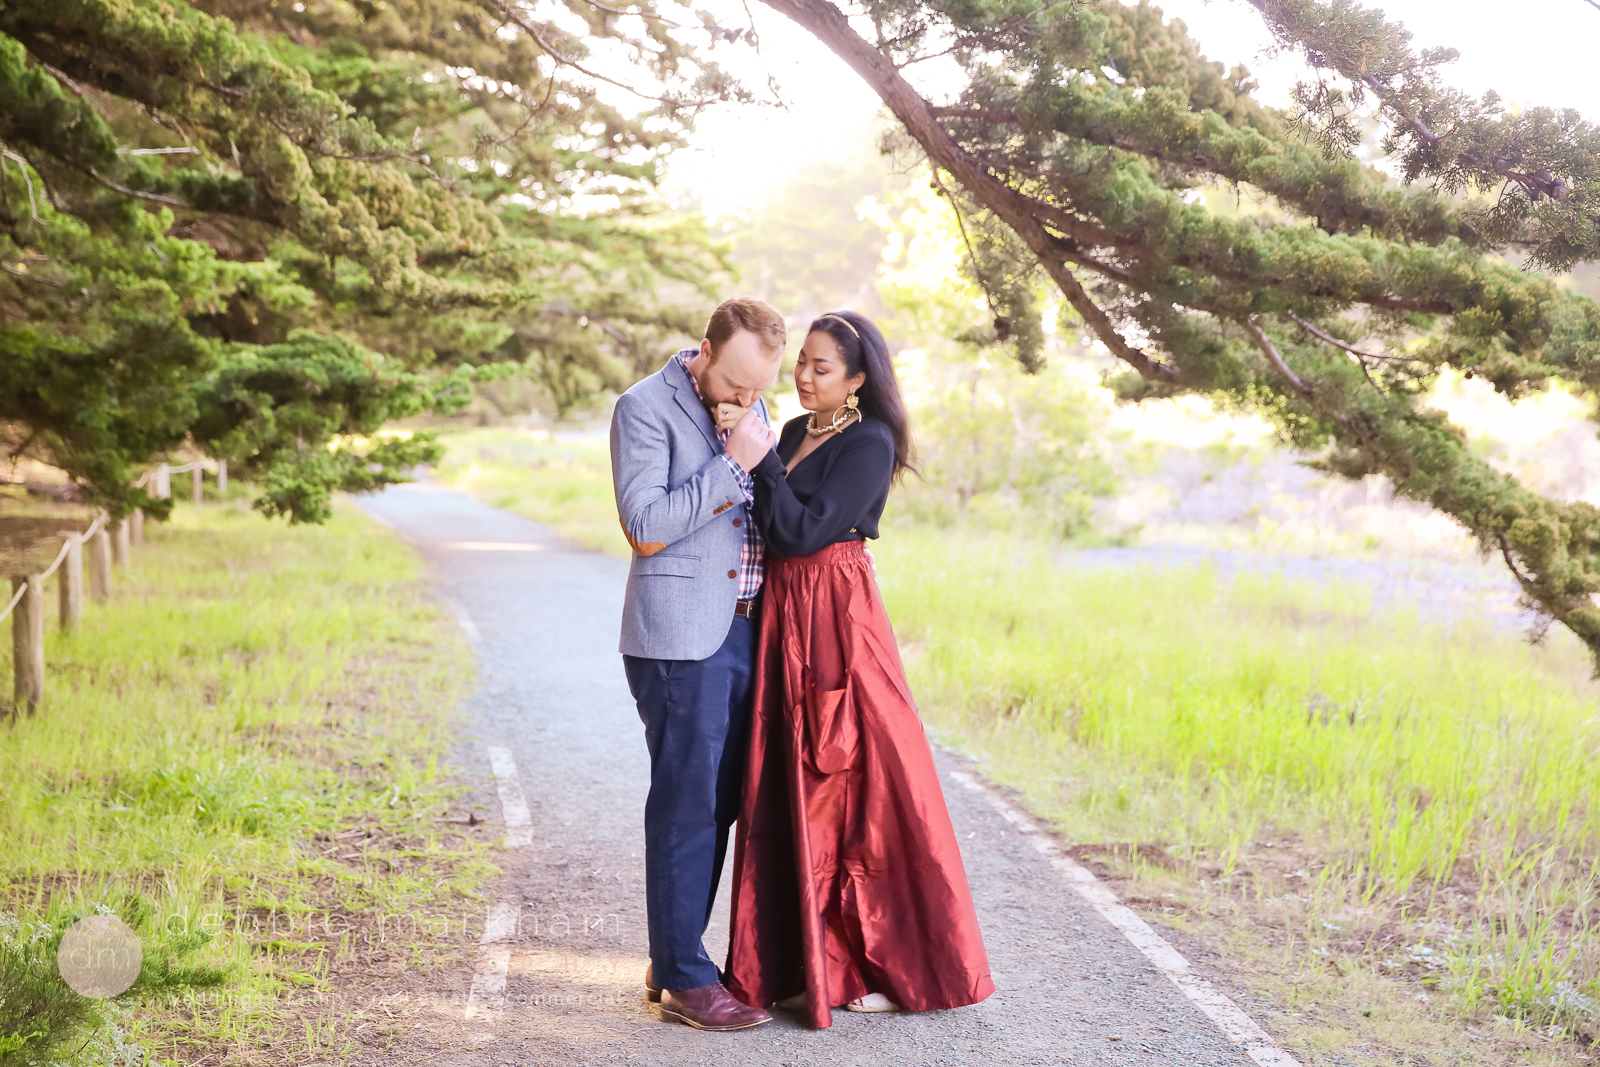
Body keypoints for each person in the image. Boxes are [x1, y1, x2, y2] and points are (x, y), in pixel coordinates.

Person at [721, 310, 995, 1030]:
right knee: (788, 778)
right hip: (786, 611)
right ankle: (798, 960)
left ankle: (882, 961)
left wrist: (765, 466)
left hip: (835, 617)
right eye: (802, 363)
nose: (805, 376)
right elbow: (766, 524)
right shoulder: (788, 433)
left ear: (857, 379)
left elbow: (801, 530)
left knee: (856, 777)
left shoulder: (870, 441)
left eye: (821, 367)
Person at [609, 297, 784, 1031]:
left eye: (759, 390)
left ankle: (672, 953)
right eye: (738, 384)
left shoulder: (750, 401)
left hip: (746, 629)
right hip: (680, 637)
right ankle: (685, 976)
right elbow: (644, 526)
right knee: (683, 803)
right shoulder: (643, 407)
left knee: (719, 804)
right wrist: (733, 463)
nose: (749, 401)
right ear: (704, 351)